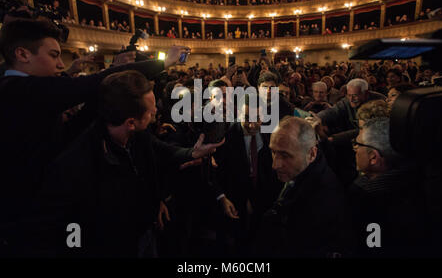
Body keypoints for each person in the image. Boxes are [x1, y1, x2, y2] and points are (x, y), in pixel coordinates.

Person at [0, 18, 189, 255]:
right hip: (35, 220)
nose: (61, 65)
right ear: (22, 54)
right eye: (53, 55)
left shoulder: (26, 92)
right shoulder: (19, 91)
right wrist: (163, 63)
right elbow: (92, 84)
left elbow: (72, 128)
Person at [33, 71, 223, 257]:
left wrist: (191, 153)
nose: (157, 111)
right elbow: (67, 231)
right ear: (131, 122)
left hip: (145, 232)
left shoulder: (138, 134)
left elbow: (162, 150)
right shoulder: (76, 165)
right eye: (151, 111)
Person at [254, 117, 353, 257]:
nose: (275, 165)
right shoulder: (298, 170)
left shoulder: (322, 203)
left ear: (312, 154)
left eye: (285, 155)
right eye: (273, 152)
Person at [349, 117, 426, 257]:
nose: (355, 148)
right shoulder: (419, 178)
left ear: (373, 157)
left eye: (358, 144)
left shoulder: (369, 200)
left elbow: (371, 246)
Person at [215, 99, 282, 256]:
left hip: (264, 196)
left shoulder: (271, 132)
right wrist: (222, 197)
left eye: (257, 118)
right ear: (238, 115)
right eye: (246, 118)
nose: (252, 125)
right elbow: (217, 172)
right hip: (236, 198)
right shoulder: (226, 136)